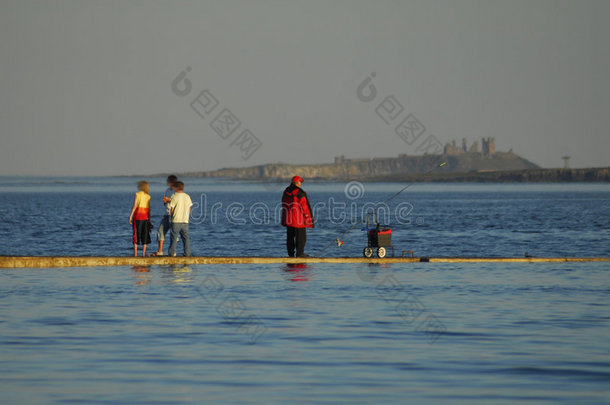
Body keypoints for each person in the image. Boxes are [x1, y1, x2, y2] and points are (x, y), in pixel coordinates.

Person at [281, 176, 314, 257]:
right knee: (301, 238)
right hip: (298, 220)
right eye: (300, 182)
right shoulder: (299, 192)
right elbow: (304, 206)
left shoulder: (286, 191)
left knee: (290, 237)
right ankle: (300, 254)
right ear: (296, 182)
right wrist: (307, 217)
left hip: (288, 219)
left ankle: (290, 254)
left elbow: (283, 203)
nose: (300, 183)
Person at [152, 175, 178, 256]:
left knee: (174, 234)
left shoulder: (176, 191)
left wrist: (169, 200)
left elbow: (178, 201)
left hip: (174, 215)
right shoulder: (167, 190)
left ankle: (173, 252)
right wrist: (165, 201)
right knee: (160, 231)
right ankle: (160, 251)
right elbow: (165, 202)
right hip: (166, 214)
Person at [168, 181, 193, 257]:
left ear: (176, 188)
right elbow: (189, 208)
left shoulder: (174, 196)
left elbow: (171, 209)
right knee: (186, 238)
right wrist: (186, 217)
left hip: (176, 220)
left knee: (174, 238)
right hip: (185, 220)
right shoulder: (187, 196)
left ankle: (172, 253)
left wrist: (171, 217)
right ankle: (187, 253)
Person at [129, 181, 151, 257]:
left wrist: (130, 216)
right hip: (145, 217)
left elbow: (135, 206)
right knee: (145, 234)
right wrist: (149, 219)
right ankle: (144, 253)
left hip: (137, 216)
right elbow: (149, 208)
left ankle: (135, 254)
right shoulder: (148, 196)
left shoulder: (137, 194)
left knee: (136, 235)